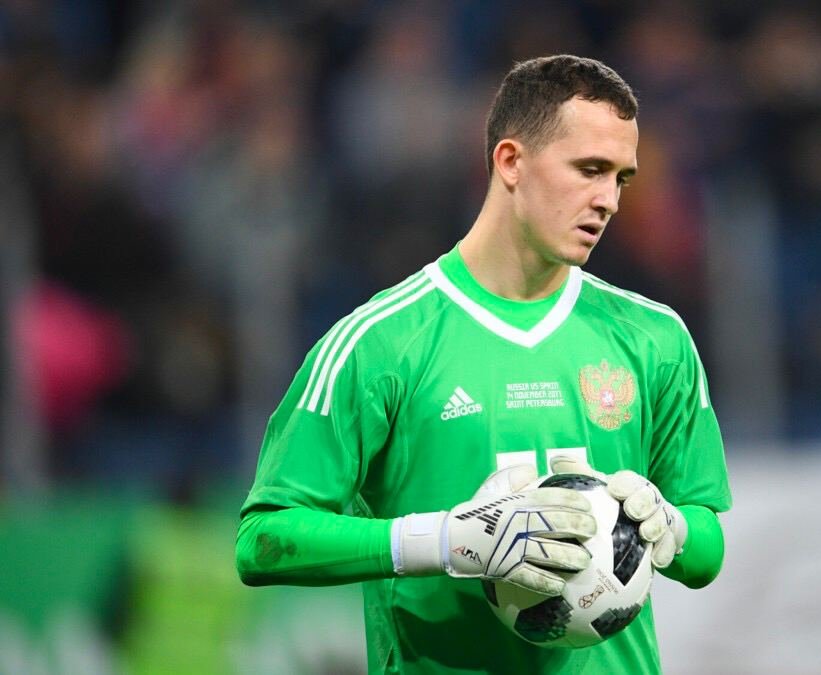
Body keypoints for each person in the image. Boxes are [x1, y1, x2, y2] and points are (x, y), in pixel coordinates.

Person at [235, 54, 732, 674]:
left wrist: (672, 529)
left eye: (621, 179)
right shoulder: (381, 342)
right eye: (589, 170)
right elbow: (263, 541)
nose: (608, 200)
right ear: (511, 162)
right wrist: (446, 541)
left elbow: (707, 549)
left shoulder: (655, 337)